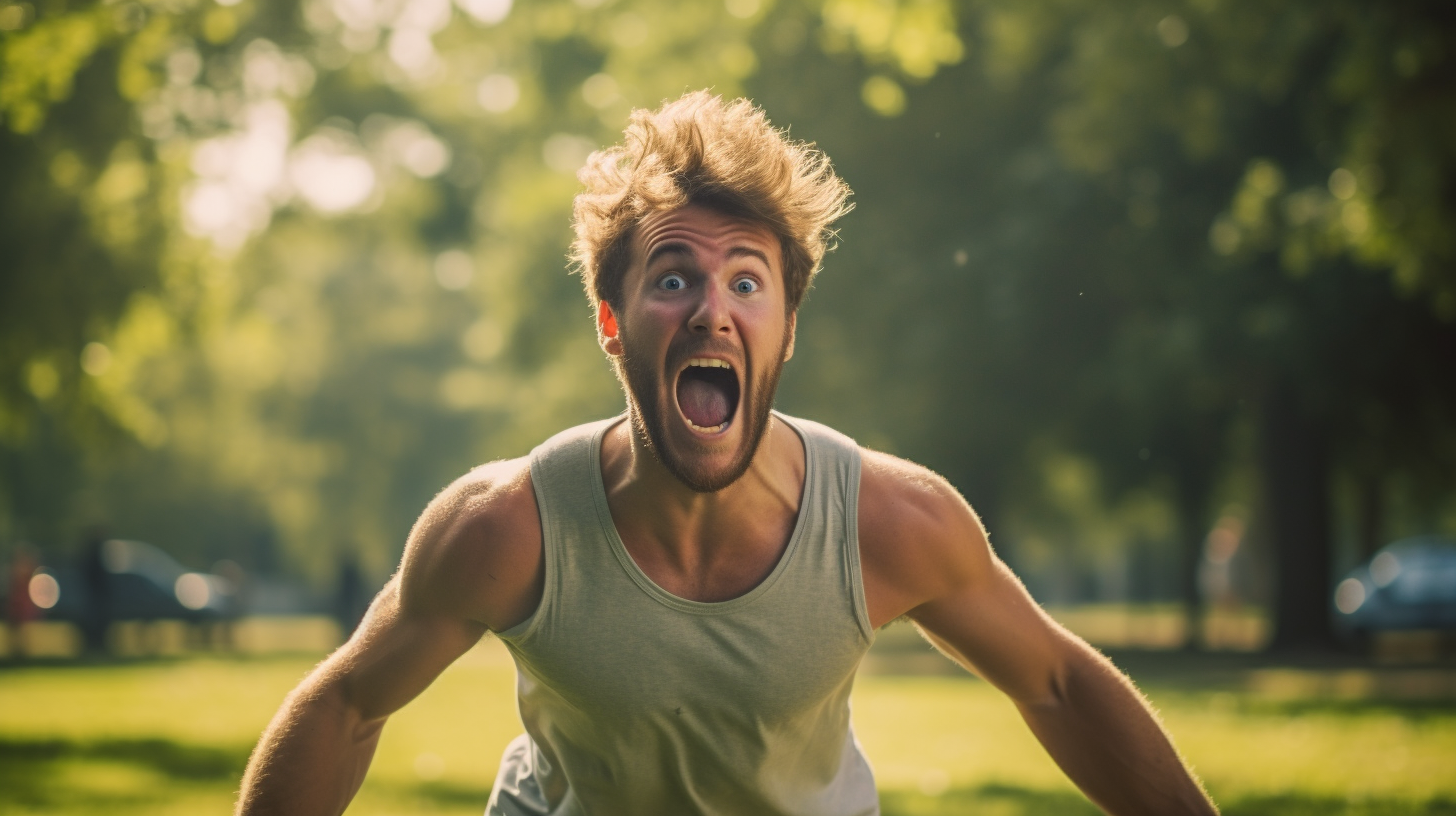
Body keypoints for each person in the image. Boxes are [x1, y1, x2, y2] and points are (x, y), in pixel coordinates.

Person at [236, 92, 1219, 816]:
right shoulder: (510, 527)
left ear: (787, 329)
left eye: (747, 281)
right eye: (673, 278)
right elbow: (346, 705)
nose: (712, 306)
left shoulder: (887, 522)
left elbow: (1054, 681)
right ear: (613, 326)